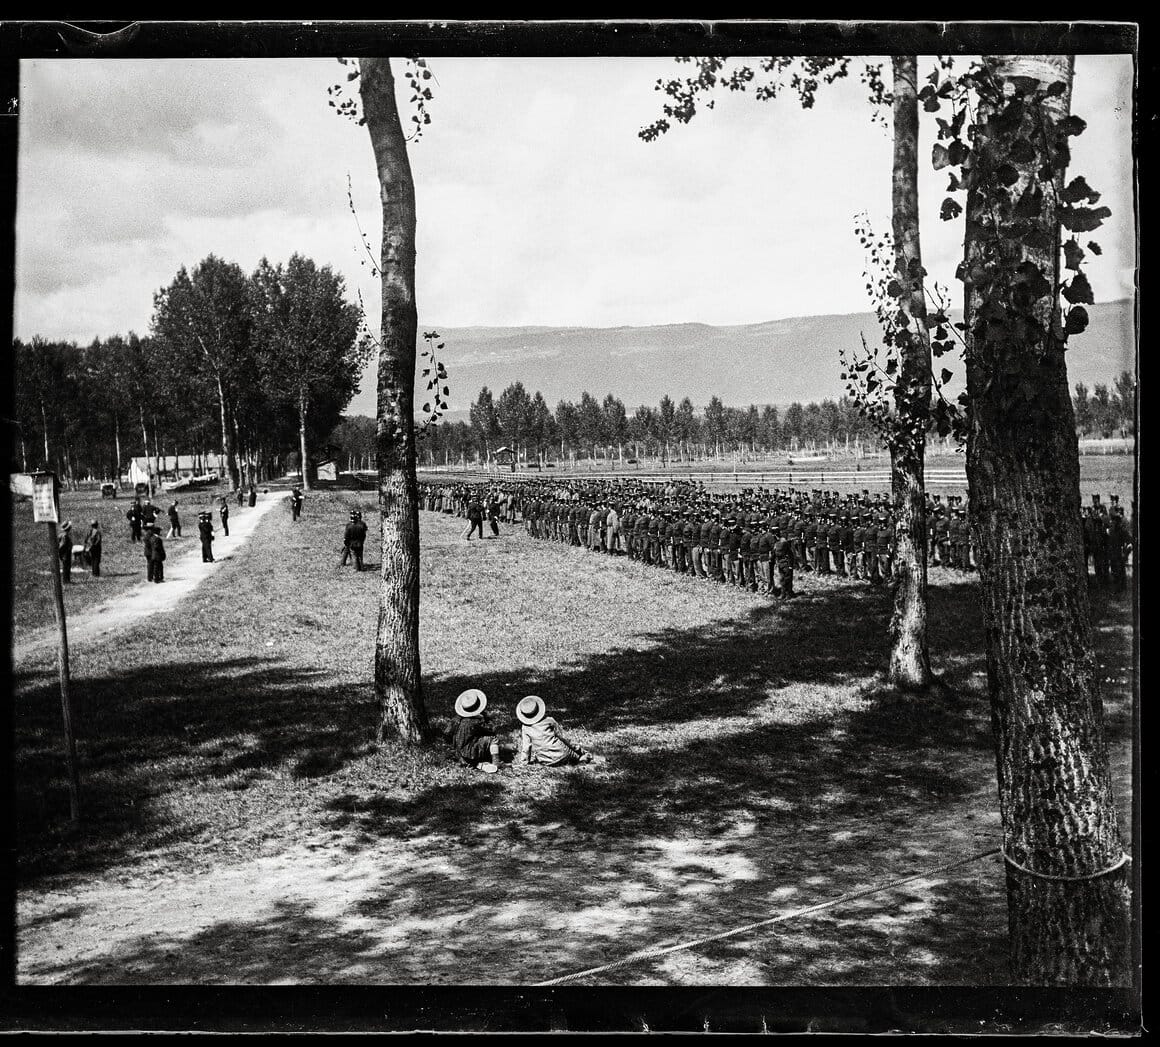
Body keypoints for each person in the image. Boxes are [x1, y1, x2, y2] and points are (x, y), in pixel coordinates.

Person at [515, 695, 600, 767]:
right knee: (578, 757)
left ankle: (579, 760)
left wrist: (524, 763)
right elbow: (564, 739)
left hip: (545, 761)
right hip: (563, 754)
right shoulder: (549, 721)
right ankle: (583, 759)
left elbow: (526, 747)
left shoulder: (525, 727)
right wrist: (580, 751)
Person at [452, 689, 502, 773]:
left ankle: (475, 763)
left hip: (458, 752)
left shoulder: (457, 719)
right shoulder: (476, 721)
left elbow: (447, 732)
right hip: (469, 751)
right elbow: (491, 730)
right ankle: (496, 762)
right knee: (493, 739)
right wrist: (485, 719)